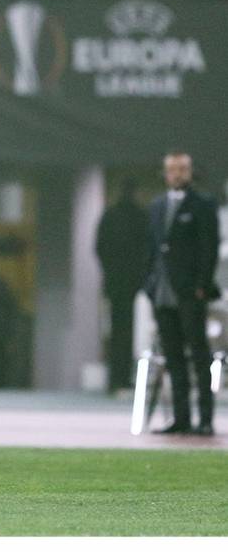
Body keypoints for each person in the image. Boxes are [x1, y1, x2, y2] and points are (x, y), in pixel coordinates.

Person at [145, 152, 220, 436]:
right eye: (172, 169)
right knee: (173, 356)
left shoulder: (202, 205)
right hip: (162, 290)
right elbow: (151, 248)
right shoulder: (157, 206)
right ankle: (181, 418)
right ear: (165, 173)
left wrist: (202, 284)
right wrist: (149, 283)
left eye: (182, 169)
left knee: (199, 355)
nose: (177, 174)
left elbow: (209, 247)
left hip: (190, 292)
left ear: (190, 172)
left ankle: (205, 419)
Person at [95, 178, 149, 394]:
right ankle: (122, 376)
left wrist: (110, 271)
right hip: (129, 280)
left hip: (117, 280)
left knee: (117, 330)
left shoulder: (111, 216)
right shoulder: (139, 217)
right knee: (126, 330)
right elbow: (146, 248)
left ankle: (116, 378)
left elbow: (100, 247)